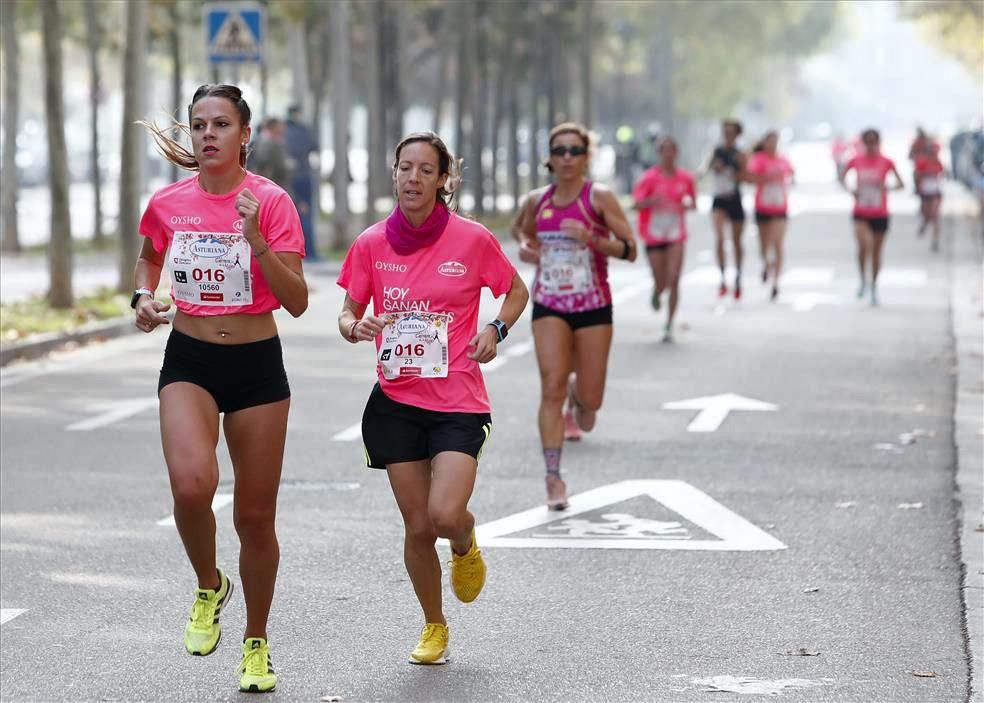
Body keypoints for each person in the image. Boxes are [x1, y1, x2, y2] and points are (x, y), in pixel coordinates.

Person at [134, 84, 307, 694]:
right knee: (190, 485)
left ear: (244, 135)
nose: (208, 134)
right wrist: (142, 298)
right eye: (199, 124)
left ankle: (256, 642)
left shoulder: (272, 202)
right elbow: (149, 258)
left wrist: (257, 241)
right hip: (189, 357)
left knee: (255, 519)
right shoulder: (167, 202)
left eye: (221, 124)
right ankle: (209, 585)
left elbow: (299, 303)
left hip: (258, 364)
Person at [336, 131, 528, 665]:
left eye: (425, 170)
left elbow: (516, 291)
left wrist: (496, 330)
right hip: (396, 402)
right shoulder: (372, 242)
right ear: (393, 174)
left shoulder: (471, 240)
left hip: (459, 400)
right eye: (404, 168)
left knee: (444, 515)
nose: (412, 179)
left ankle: (465, 541)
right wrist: (357, 326)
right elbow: (347, 313)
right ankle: (434, 625)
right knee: (417, 525)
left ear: (443, 179)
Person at [512, 122, 637, 510]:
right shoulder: (536, 200)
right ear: (549, 157)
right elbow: (522, 233)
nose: (566, 158)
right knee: (550, 384)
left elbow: (630, 249)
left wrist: (593, 239)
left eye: (574, 151)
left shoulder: (598, 199)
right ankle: (553, 477)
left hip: (593, 307)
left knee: (589, 410)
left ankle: (577, 396)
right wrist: (526, 248)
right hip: (549, 304)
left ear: (586, 157)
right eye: (559, 150)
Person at [632, 135, 696, 341]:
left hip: (676, 233)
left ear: (676, 153)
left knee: (675, 277)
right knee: (662, 281)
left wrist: (687, 203)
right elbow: (636, 204)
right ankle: (657, 291)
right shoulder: (649, 178)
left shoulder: (685, 178)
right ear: (659, 153)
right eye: (664, 150)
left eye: (671, 150)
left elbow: (693, 202)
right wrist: (652, 201)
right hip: (654, 234)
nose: (668, 154)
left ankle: (669, 324)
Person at [840, 128, 905, 305]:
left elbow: (901, 184)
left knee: (876, 252)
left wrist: (887, 188)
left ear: (878, 142)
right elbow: (842, 177)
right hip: (861, 211)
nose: (871, 146)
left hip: (880, 212)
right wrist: (851, 190)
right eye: (867, 142)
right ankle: (862, 279)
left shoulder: (887, 162)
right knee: (864, 246)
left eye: (873, 142)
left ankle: (874, 287)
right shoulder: (855, 160)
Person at [745, 131, 794, 301]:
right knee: (764, 245)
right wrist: (765, 178)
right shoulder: (758, 159)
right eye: (770, 141)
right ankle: (766, 264)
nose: (773, 144)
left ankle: (776, 283)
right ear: (765, 143)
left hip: (780, 207)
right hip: (763, 207)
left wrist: (789, 181)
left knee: (777, 243)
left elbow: (792, 175)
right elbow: (750, 178)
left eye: (775, 141)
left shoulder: (783, 160)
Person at [702, 118, 747, 299]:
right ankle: (722, 278)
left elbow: (746, 176)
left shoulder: (740, 154)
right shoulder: (716, 151)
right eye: (725, 132)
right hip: (719, 200)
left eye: (730, 132)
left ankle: (738, 277)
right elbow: (705, 168)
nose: (727, 135)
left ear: (736, 134)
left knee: (736, 242)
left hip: (734, 199)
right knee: (720, 238)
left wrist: (731, 171)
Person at [285, 104, 319, 260]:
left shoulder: (283, 131)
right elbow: (314, 146)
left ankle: (295, 250)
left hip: (288, 179)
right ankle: (310, 252)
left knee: (291, 216)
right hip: (303, 177)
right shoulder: (303, 130)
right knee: (306, 215)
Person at [915, 141, 945, 251]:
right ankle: (924, 224)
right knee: (927, 214)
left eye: (935, 152)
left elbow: (943, 174)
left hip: (935, 192)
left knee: (935, 216)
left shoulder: (938, 163)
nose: (934, 154)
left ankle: (935, 240)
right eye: (932, 152)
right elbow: (917, 175)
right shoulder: (922, 162)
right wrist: (918, 186)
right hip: (925, 192)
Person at [249, 117, 292, 194]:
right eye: (280, 128)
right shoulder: (267, 143)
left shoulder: (274, 142)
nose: (283, 131)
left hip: (270, 186)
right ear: (273, 128)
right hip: (269, 186)